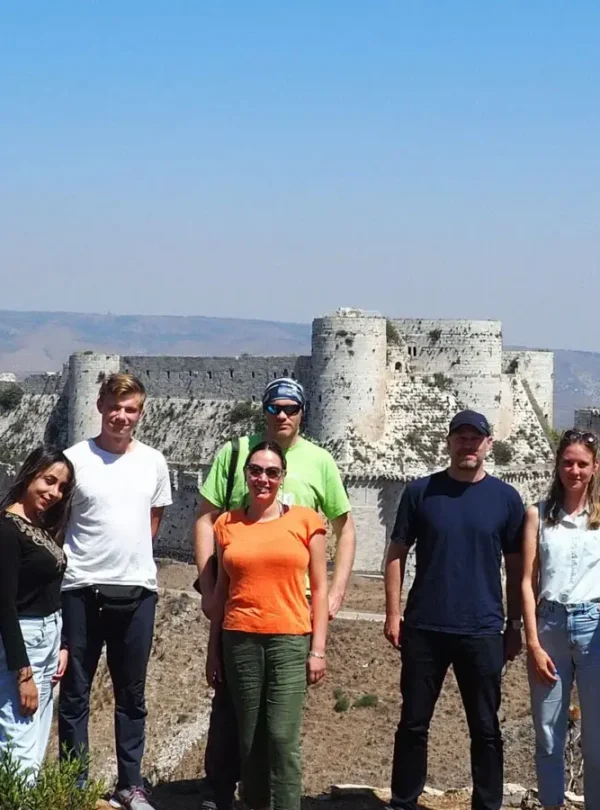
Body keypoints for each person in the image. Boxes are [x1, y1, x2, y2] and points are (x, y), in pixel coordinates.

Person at [194, 377, 354, 810]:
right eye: (275, 407)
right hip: (240, 630)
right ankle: (233, 797)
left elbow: (342, 535)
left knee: (281, 736)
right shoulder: (231, 513)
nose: (282, 415)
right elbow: (206, 523)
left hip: (292, 623)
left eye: (291, 408)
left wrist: (335, 602)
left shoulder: (311, 498)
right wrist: (208, 593)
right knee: (244, 732)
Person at [384, 410, 524, 810]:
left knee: (486, 728)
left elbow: (515, 570)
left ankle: (487, 804)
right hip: (424, 628)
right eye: (460, 437)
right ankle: (403, 801)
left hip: (482, 631)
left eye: (475, 438)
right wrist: (393, 613)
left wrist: (513, 626)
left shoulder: (506, 499)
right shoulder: (420, 492)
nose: (468, 445)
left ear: (488, 444)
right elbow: (396, 553)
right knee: (413, 723)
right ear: (448, 442)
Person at [58, 373, 172, 810]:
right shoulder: (74, 460)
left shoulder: (153, 462)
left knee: (132, 695)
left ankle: (131, 784)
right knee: (74, 695)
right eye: (115, 407)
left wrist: (129, 559)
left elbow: (154, 520)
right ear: (101, 405)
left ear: (140, 413)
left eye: (131, 409)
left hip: (137, 591)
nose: (122, 417)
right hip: (81, 589)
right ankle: (73, 785)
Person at [206, 441, 328, 810]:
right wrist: (213, 653)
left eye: (271, 472)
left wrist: (318, 649)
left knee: (281, 737)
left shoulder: (307, 521)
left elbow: (320, 589)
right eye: (256, 470)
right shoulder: (226, 524)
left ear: (282, 477)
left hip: (289, 640)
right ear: (246, 475)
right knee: (250, 739)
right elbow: (221, 594)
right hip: (239, 638)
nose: (263, 479)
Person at [522, 429, 600, 810]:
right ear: (557, 465)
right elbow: (525, 581)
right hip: (549, 628)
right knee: (548, 736)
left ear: (595, 467)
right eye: (568, 462)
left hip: (594, 629)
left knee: (597, 741)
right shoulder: (537, 515)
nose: (575, 470)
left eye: (582, 463)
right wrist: (532, 643)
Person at [0, 446, 74, 777]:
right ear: (30, 473)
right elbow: (4, 604)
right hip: (23, 643)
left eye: (62, 487)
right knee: (17, 743)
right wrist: (24, 673)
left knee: (35, 740)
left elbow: (48, 590)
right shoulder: (7, 530)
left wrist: (61, 644)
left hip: (47, 638)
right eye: (49, 481)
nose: (54, 493)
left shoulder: (37, 524)